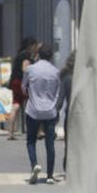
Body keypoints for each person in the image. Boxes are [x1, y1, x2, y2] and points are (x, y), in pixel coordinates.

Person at [22, 43, 62, 184]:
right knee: (50, 144)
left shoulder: (30, 69)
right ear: (51, 56)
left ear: (38, 54)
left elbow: (23, 88)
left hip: (33, 110)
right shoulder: (55, 71)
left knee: (31, 141)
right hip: (50, 111)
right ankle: (50, 175)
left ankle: (35, 165)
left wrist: (31, 94)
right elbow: (58, 91)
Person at [6, 37, 39, 140]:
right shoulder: (27, 55)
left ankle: (10, 133)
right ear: (31, 45)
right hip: (22, 82)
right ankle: (36, 131)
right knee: (33, 105)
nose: (36, 47)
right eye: (35, 45)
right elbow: (25, 68)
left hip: (14, 82)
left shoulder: (19, 55)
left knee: (15, 105)